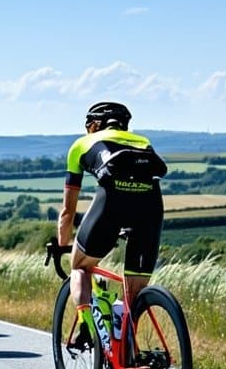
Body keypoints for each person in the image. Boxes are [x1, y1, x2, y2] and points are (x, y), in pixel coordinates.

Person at [57, 101, 167, 347]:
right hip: (150, 209)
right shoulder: (143, 142)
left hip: (111, 206)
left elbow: (68, 211)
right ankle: (130, 348)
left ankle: (85, 325)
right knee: (134, 293)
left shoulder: (80, 146)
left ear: (94, 125)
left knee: (80, 267)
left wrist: (62, 245)